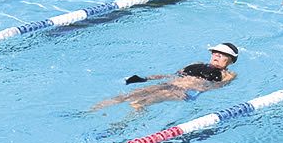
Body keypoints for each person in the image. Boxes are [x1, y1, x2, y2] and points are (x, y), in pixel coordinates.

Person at [90, 43, 240, 116]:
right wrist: (146, 78)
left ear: (231, 60)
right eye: (215, 53)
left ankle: (121, 125)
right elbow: (173, 75)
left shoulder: (229, 74)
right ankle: (88, 112)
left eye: (222, 55)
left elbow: (216, 87)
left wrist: (196, 89)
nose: (217, 56)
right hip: (169, 84)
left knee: (139, 103)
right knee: (126, 96)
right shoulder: (197, 64)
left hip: (186, 92)